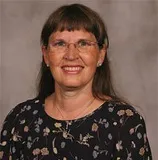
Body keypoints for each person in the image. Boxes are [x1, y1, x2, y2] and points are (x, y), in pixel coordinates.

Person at [0, 3, 152, 160]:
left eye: (83, 44)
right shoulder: (21, 119)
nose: (71, 55)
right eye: (60, 44)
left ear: (101, 54)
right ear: (45, 54)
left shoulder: (125, 124)